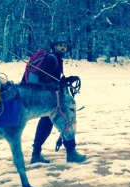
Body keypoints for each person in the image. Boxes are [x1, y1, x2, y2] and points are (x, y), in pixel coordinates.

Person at [23, 35, 87, 164]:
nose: (63, 47)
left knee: (46, 123)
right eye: (60, 45)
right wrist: (54, 87)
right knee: (66, 120)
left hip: (51, 97)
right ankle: (71, 153)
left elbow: (53, 78)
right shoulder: (51, 59)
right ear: (54, 46)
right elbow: (42, 79)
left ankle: (36, 155)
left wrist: (66, 80)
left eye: (65, 45)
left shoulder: (57, 59)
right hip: (50, 98)